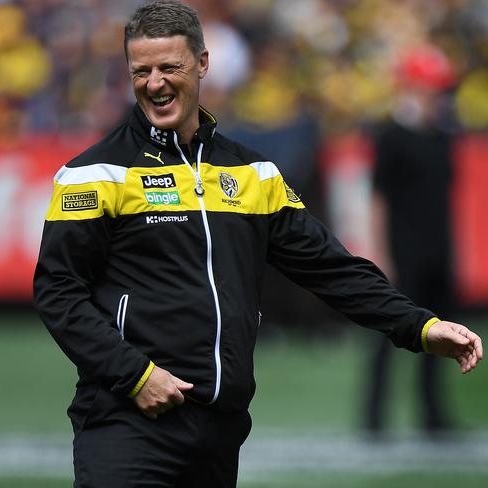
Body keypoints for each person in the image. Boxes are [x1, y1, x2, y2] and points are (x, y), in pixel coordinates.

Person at [33, 2, 482, 486]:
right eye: (141, 71)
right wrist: (136, 376)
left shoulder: (252, 173)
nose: (155, 83)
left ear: (202, 64)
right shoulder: (95, 174)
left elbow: (331, 268)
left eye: (169, 67)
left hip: (220, 433)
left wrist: (418, 326)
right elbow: (58, 291)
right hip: (127, 425)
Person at [364, 44, 460, 437]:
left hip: (438, 249)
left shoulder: (441, 137)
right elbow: (378, 199)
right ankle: (373, 416)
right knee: (391, 334)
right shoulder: (392, 137)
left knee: (442, 337)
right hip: (404, 252)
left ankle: (433, 415)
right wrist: (381, 254)